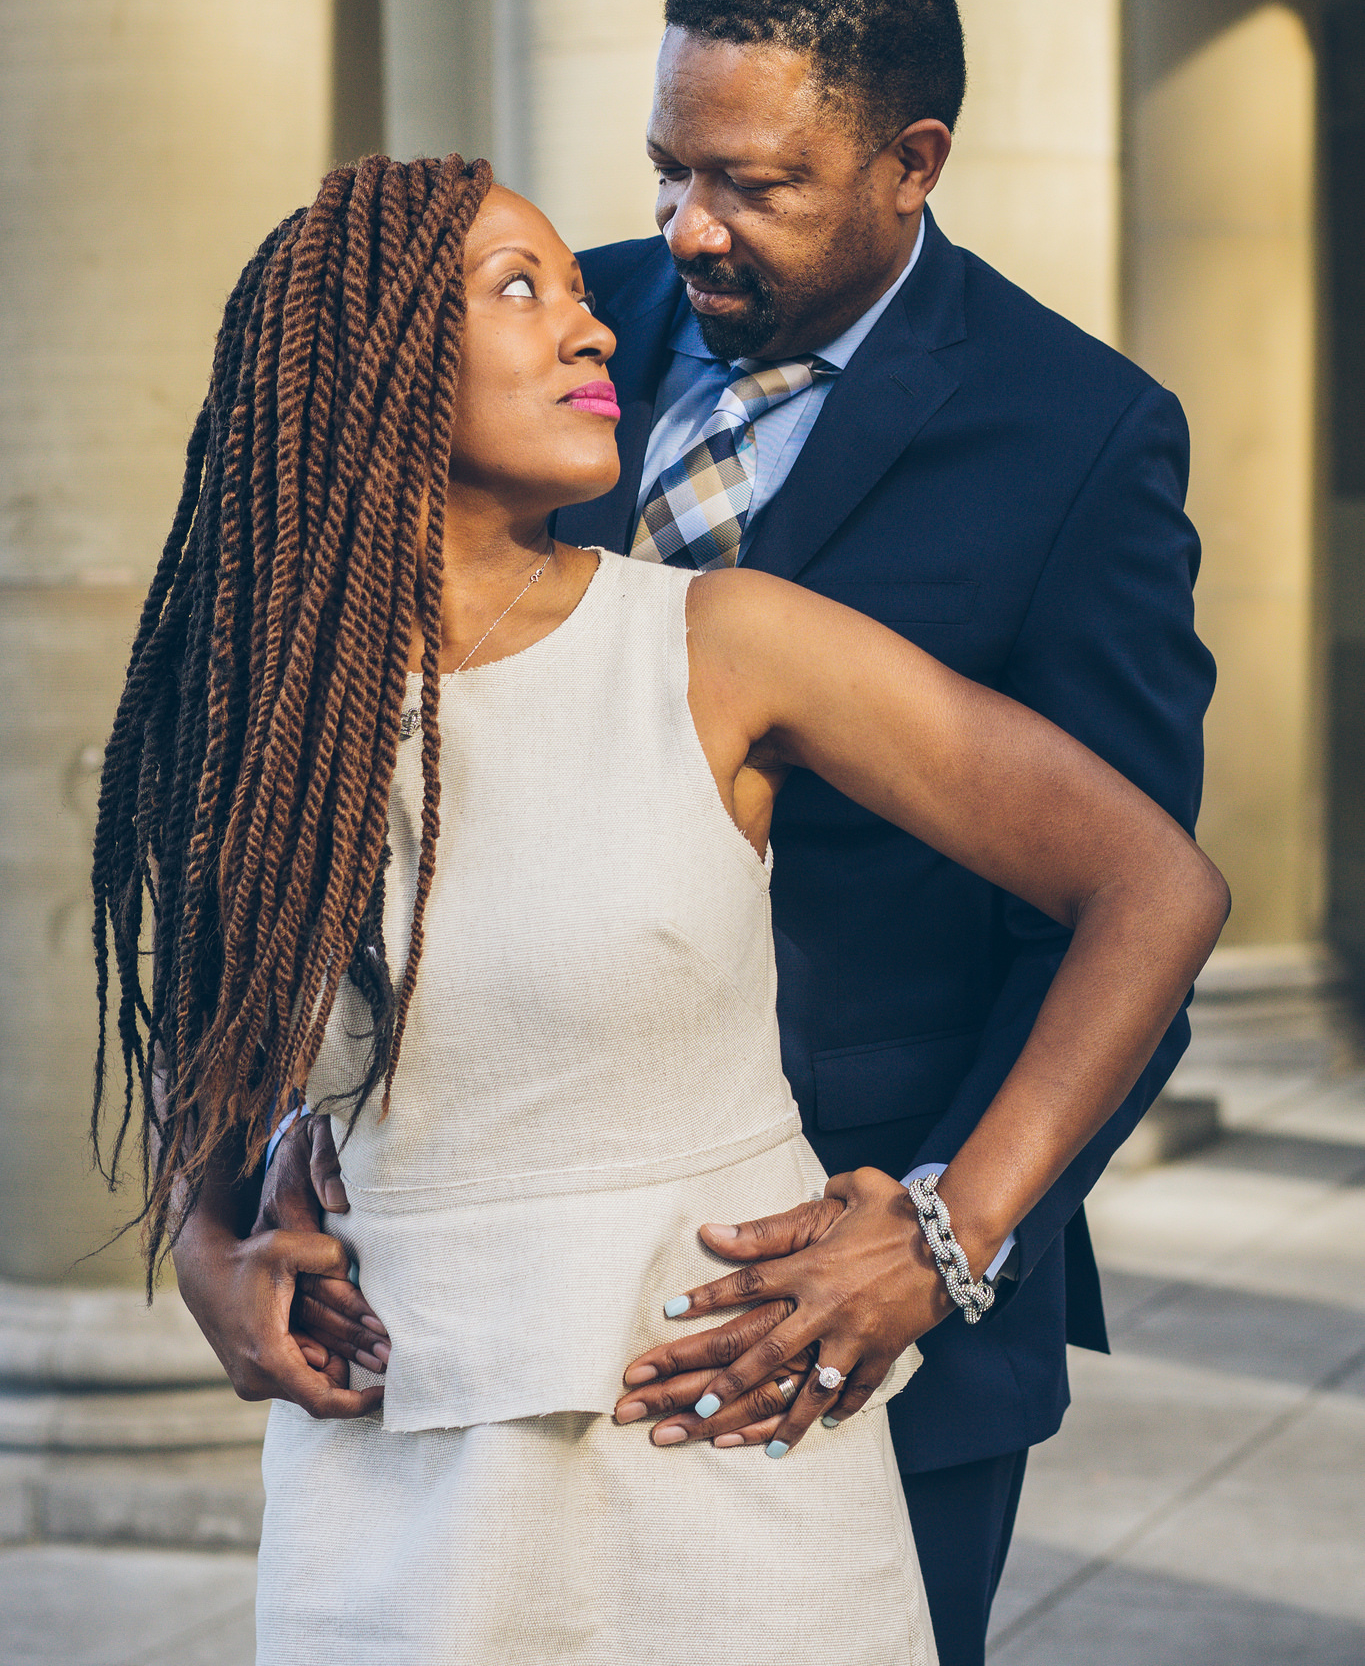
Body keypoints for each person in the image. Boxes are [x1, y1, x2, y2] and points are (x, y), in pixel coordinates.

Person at [94, 151, 1228, 1665]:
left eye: (579, 290)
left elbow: (1151, 883)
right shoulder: (257, 712)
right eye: (521, 290)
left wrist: (956, 1223)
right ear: (369, 370)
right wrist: (203, 1230)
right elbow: (216, 1000)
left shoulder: (719, 644)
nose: (593, 329)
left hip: (719, 1435)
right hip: (392, 1459)